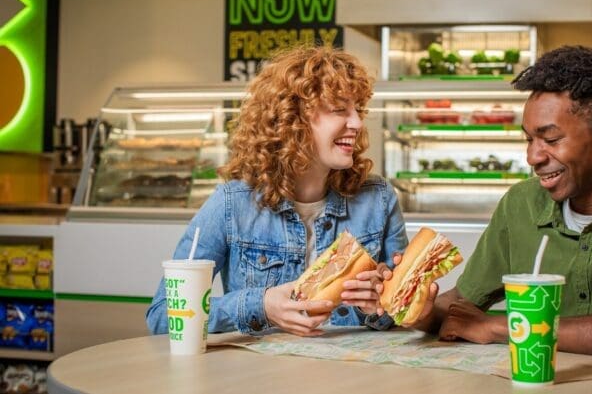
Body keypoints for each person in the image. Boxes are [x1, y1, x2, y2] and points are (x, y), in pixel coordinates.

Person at [408, 45, 592, 394]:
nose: (533, 156)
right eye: (529, 138)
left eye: (550, 139)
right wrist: (417, 307)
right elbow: (462, 312)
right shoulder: (520, 203)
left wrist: (497, 327)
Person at [146, 46, 407, 336]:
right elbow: (162, 315)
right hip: (259, 379)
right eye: (339, 110)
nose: (357, 123)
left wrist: (379, 306)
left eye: (358, 109)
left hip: (354, 376)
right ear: (293, 120)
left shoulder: (379, 199)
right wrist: (262, 305)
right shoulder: (232, 205)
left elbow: (403, 315)